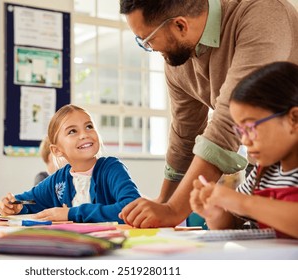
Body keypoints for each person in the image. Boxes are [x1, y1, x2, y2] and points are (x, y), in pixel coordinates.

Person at [119, 0, 298, 228]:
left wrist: (174, 209)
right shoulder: (177, 55)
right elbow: (184, 135)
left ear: (180, 25)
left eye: (147, 40)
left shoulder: (264, 13)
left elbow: (226, 123)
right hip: (265, 168)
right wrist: (164, 202)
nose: (150, 48)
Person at [190, 61, 298, 238]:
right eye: (240, 131)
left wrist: (243, 203)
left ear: (294, 118)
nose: (244, 140)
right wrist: (215, 213)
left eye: (251, 127)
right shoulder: (262, 173)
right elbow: (235, 224)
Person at [0, 104, 141, 223]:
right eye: (72, 131)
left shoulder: (111, 168)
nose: (84, 134)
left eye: (89, 126)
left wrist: (69, 214)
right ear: (57, 150)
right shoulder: (57, 180)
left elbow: (133, 208)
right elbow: (30, 201)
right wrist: (15, 206)